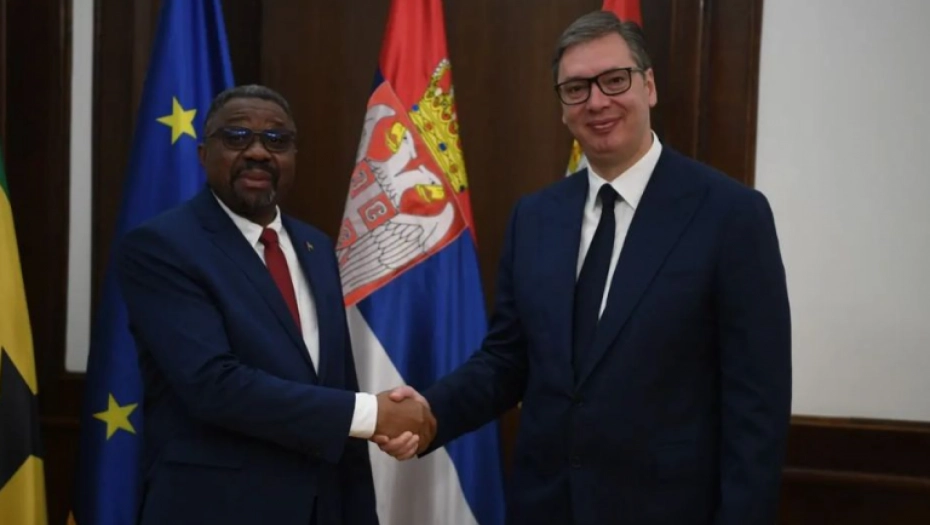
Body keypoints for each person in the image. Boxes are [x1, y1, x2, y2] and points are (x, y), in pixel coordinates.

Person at [378, 11, 792, 525]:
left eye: (614, 80)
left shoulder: (730, 215)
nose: (596, 102)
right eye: (576, 88)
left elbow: (757, 406)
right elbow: (508, 360)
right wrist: (430, 412)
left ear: (649, 86)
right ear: (562, 107)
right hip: (546, 508)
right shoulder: (536, 217)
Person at [116, 84, 432, 525]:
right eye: (237, 137)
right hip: (216, 509)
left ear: (294, 156)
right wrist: (371, 414)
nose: (259, 152)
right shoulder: (162, 247)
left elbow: (335, 382)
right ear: (203, 154)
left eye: (277, 140)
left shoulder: (315, 248)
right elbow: (213, 385)